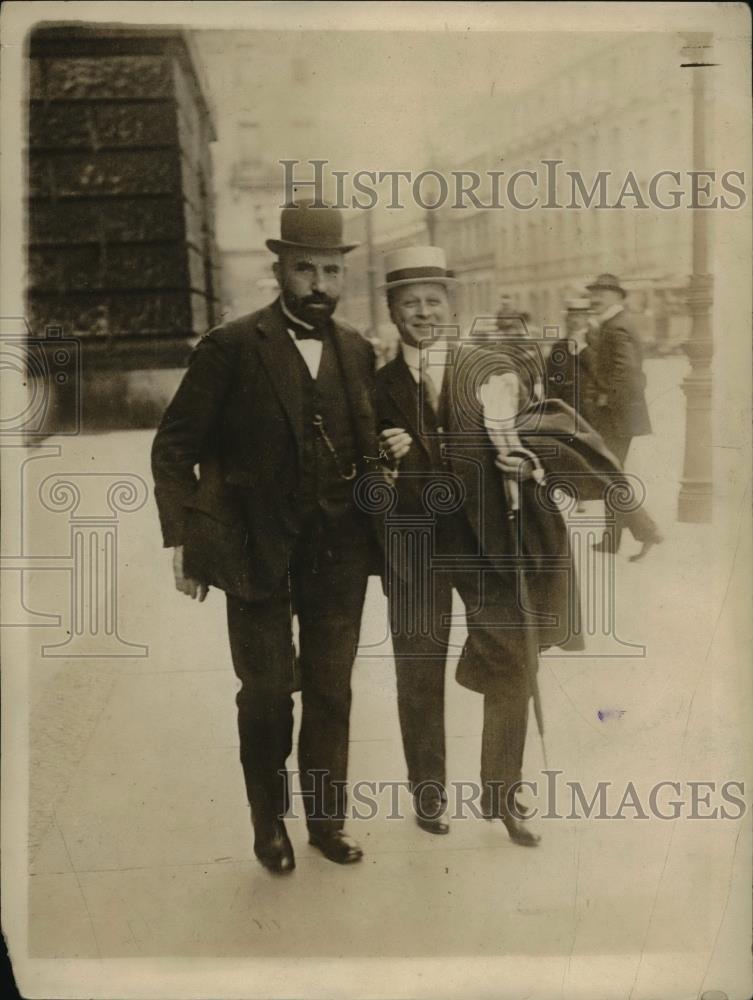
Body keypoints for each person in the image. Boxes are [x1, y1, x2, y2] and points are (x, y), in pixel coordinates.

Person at [378, 248, 662, 849]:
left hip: (488, 540)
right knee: (417, 667)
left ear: (450, 306)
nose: (422, 313)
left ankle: (502, 792)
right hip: (414, 546)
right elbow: (356, 465)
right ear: (392, 312)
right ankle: (428, 792)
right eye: (410, 303)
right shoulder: (374, 384)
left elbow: (536, 431)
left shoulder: (486, 369)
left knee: (513, 658)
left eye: (433, 301)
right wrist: (385, 459)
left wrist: (524, 460)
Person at [151, 202, 380, 874]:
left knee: (332, 691)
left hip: (336, 552)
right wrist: (187, 538)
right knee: (268, 693)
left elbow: (366, 451)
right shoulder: (230, 347)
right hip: (256, 551)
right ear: (277, 269)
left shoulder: (358, 351)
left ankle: (325, 823)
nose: (319, 283)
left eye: (331, 269)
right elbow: (173, 450)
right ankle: (268, 823)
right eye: (305, 268)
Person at [585, 273, 658, 555]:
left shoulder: (616, 327)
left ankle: (647, 531)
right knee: (611, 474)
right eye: (592, 292)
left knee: (610, 475)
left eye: (600, 293)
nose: (594, 298)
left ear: (617, 296)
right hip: (618, 415)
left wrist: (605, 398)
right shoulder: (612, 325)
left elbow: (626, 373)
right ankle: (615, 538)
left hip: (615, 416)